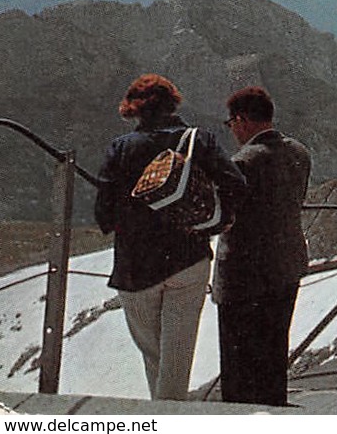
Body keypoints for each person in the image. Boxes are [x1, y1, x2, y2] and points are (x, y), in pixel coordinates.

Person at [94, 74, 246, 401]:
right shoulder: (198, 140)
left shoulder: (120, 149)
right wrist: (211, 223)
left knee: (155, 358)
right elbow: (236, 185)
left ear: (133, 109)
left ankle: (162, 416)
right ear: (173, 103)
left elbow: (103, 215)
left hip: (135, 268)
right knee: (177, 359)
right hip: (188, 260)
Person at [213, 86, 311, 406]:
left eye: (231, 124)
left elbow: (222, 219)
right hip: (286, 268)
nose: (232, 131)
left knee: (239, 370)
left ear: (241, 120)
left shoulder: (242, 162)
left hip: (243, 278)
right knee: (273, 357)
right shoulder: (299, 152)